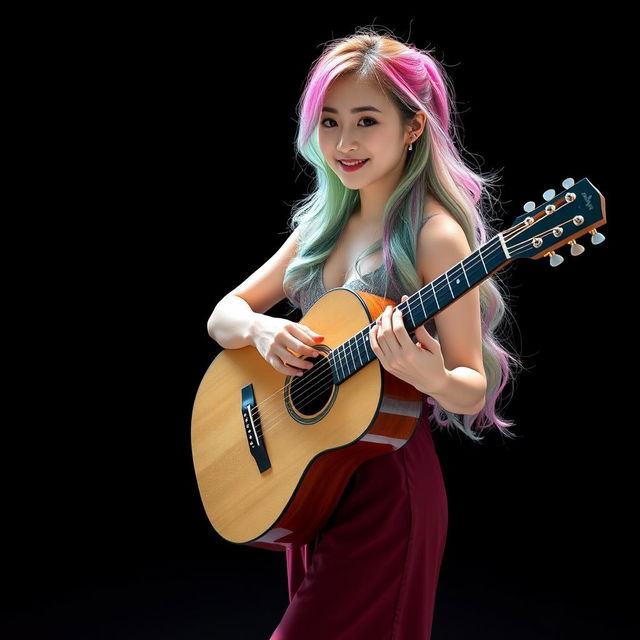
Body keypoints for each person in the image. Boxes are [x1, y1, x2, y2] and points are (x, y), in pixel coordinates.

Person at [207, 28, 522, 640]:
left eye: (366, 121)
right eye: (329, 122)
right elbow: (223, 316)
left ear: (412, 129)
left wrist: (429, 374)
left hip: (386, 485)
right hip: (311, 478)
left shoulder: (435, 237)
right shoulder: (322, 227)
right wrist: (263, 330)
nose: (343, 143)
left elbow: (469, 386)